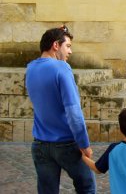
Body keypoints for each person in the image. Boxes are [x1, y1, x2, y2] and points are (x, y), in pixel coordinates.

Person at [25, 25, 96, 194]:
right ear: (56, 45)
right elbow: (73, 112)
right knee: (87, 187)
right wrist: (84, 144)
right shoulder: (62, 68)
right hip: (66, 144)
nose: (70, 52)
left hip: (40, 145)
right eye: (68, 46)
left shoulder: (30, 68)